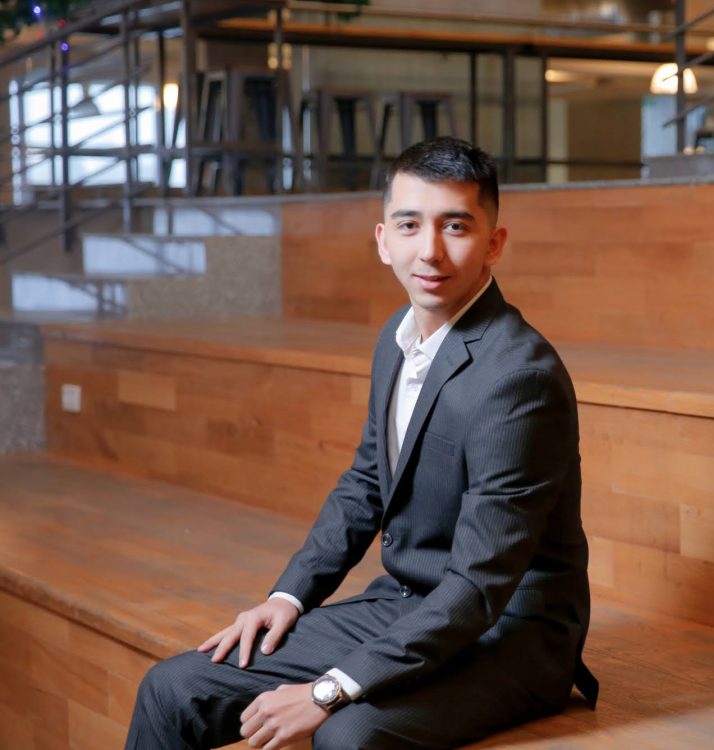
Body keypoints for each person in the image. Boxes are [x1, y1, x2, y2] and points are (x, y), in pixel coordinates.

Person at [125, 137, 597, 749]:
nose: (429, 251)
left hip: (509, 629)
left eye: (456, 226)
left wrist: (330, 689)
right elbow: (368, 483)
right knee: (172, 688)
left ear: (493, 243)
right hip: (411, 603)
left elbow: (480, 587)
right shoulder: (396, 340)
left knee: (348, 736)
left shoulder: (518, 378)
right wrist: (289, 595)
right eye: (410, 225)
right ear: (383, 240)